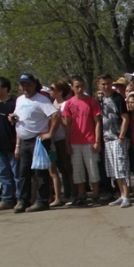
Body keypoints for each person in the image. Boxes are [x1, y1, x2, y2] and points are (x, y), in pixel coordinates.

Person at [12, 73, 62, 212]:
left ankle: (42, 201)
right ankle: (23, 200)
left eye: (28, 84)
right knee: (23, 173)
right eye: (23, 84)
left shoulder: (41, 100)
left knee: (40, 172)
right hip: (24, 141)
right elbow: (19, 118)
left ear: (34, 85)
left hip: (38, 141)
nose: (25, 87)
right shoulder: (20, 100)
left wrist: (50, 133)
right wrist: (13, 119)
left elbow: (56, 114)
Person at [61, 75, 103, 207]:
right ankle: (81, 195)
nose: (79, 89)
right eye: (76, 86)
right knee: (78, 170)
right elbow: (67, 125)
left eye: (81, 86)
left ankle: (96, 194)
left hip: (89, 140)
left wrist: (97, 141)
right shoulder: (69, 103)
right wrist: (67, 143)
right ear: (72, 87)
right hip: (75, 141)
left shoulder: (91, 102)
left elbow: (97, 122)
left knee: (92, 169)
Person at [97, 74, 132, 207]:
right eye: (103, 84)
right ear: (99, 84)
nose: (106, 86)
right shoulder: (102, 99)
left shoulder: (118, 98)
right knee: (113, 169)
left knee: (122, 167)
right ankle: (121, 194)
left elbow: (125, 118)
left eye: (108, 83)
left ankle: (127, 195)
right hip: (108, 137)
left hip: (118, 137)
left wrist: (122, 135)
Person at [0, 77, 18, 211]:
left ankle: (20, 199)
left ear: (5, 89)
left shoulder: (14, 103)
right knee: (4, 174)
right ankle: (7, 199)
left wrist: (18, 144)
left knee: (16, 173)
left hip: (12, 143)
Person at [47, 79, 75, 207]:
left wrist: (59, 116)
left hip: (65, 138)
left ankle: (74, 194)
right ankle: (67, 193)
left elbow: (67, 124)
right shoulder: (53, 104)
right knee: (62, 168)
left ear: (60, 91)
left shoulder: (66, 104)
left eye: (52, 88)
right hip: (55, 140)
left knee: (69, 168)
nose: (50, 91)